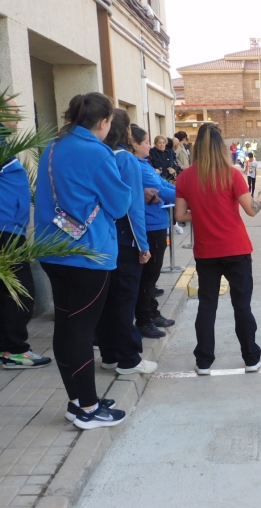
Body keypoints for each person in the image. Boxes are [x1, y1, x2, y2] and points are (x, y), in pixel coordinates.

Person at [35, 92, 131, 429]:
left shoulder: (53, 147)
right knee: (80, 330)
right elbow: (119, 206)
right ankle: (88, 408)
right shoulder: (97, 152)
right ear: (103, 122)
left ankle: (78, 400)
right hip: (87, 254)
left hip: (52, 250)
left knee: (68, 326)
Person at [174, 123, 261, 375]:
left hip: (206, 252)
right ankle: (251, 357)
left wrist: (203, 211)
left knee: (207, 305)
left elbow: (180, 214)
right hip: (236, 249)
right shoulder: (231, 174)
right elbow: (251, 209)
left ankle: (204, 361)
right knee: (242, 305)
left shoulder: (185, 177)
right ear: (221, 148)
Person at [95, 109, 157, 376]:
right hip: (126, 241)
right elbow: (133, 209)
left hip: (103, 240)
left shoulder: (99, 155)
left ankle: (109, 355)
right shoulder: (127, 160)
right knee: (125, 300)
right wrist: (143, 245)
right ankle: (129, 359)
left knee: (107, 301)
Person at [0, 98, 52, 369]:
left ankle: (9, 346)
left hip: (11, 227)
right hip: (5, 230)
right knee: (20, 291)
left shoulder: (5, 144)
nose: (19, 118)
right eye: (14, 112)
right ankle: (13, 349)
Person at [131, 124, 177, 339]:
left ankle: (151, 311)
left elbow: (161, 185)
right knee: (148, 277)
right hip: (150, 226)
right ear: (134, 144)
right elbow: (162, 190)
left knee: (152, 276)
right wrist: (190, 194)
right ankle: (144, 318)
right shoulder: (137, 167)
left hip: (157, 222)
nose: (150, 146)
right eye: (147, 142)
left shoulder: (143, 163)